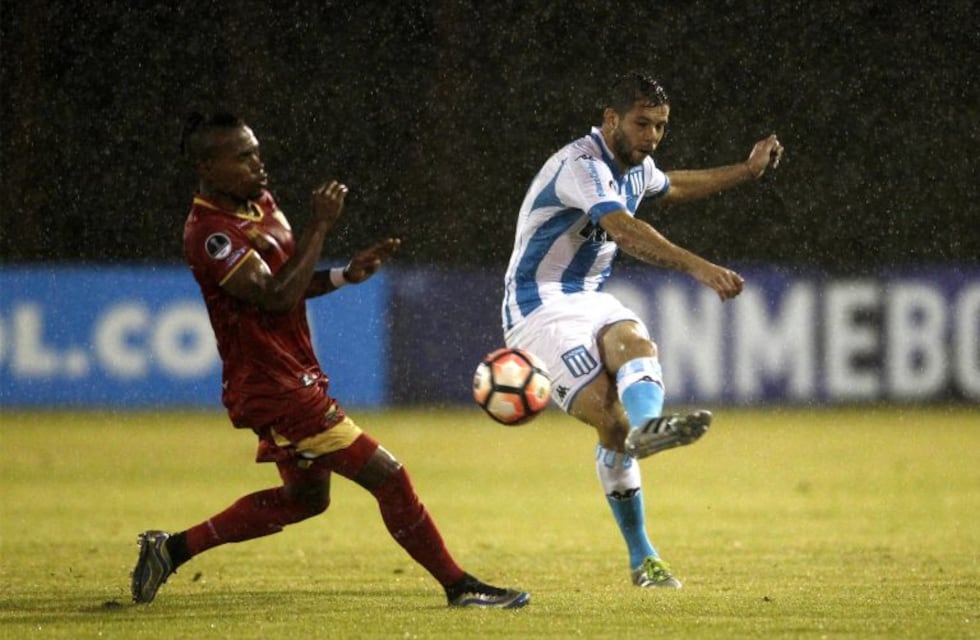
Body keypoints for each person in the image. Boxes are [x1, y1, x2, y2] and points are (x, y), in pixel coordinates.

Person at [131, 111, 529, 609]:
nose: (259, 164)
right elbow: (273, 297)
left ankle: (169, 551)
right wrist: (320, 225)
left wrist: (342, 275)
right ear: (208, 166)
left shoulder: (261, 206)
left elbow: (290, 284)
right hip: (275, 388)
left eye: (257, 151)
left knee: (305, 500)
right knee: (390, 476)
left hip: (293, 375)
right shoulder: (212, 234)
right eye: (243, 156)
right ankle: (460, 586)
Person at [500, 71, 783, 588]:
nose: (651, 136)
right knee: (610, 422)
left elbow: (673, 183)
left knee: (636, 342)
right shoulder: (581, 166)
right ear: (611, 120)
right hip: (536, 309)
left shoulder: (636, 167)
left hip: (586, 299)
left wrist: (746, 170)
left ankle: (649, 432)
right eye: (641, 123)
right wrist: (697, 266)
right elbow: (625, 230)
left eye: (660, 126)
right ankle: (643, 552)